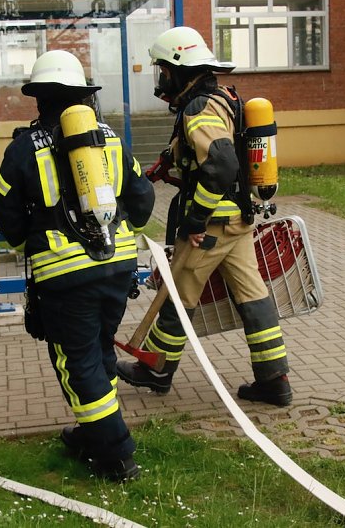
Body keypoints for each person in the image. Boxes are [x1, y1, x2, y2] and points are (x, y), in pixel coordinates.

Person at [0, 50, 155, 481]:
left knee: (76, 363)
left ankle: (116, 455)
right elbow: (141, 202)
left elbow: (5, 212)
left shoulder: (22, 148)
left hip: (64, 275)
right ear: (83, 97)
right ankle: (91, 434)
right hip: (118, 265)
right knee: (99, 350)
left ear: (40, 99)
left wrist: (33, 238)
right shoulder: (110, 139)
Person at [116, 26, 293, 406]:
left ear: (179, 69)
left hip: (211, 226)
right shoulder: (221, 97)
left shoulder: (199, 106)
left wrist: (195, 220)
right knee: (253, 297)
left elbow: (221, 162)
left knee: (178, 295)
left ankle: (157, 369)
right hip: (238, 220)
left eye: (163, 70)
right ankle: (274, 379)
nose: (161, 78)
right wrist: (167, 163)